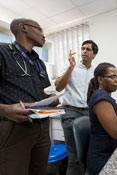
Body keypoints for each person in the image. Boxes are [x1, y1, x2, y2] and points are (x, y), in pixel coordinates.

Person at [0, 18, 59, 175]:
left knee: (39, 171)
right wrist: (5, 110)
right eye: (40, 29)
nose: (43, 35)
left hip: (42, 128)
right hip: (14, 129)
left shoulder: (38, 61)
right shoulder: (3, 52)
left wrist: (51, 99)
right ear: (23, 28)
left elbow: (39, 93)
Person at [55, 40, 98, 175]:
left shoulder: (96, 72)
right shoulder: (70, 65)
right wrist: (71, 67)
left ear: (94, 54)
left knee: (88, 152)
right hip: (70, 112)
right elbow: (58, 87)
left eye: (88, 49)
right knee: (74, 156)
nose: (84, 51)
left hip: (89, 113)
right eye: (83, 48)